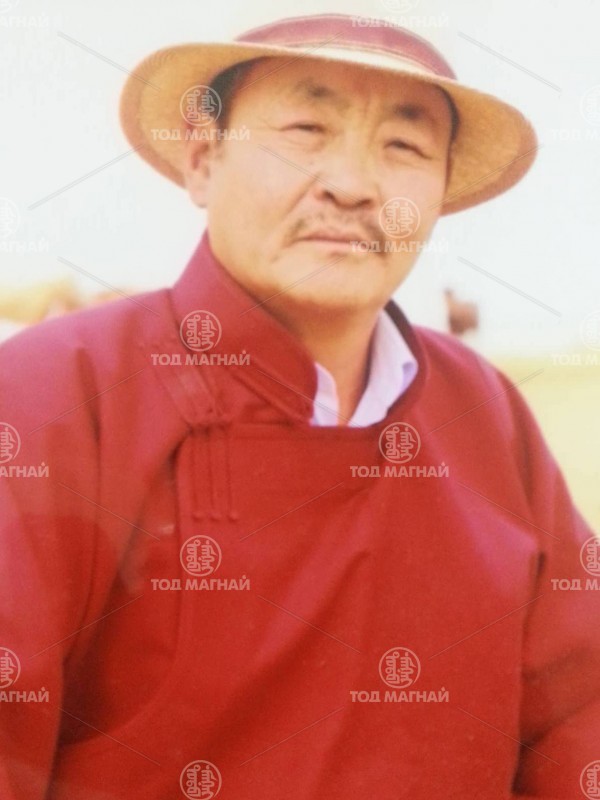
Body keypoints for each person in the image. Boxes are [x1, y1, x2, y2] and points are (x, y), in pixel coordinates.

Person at [1, 13, 599, 800]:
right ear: (203, 159)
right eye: (306, 130)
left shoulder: (482, 411)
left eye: (404, 146)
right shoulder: (50, 397)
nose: (352, 184)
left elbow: (578, 715)